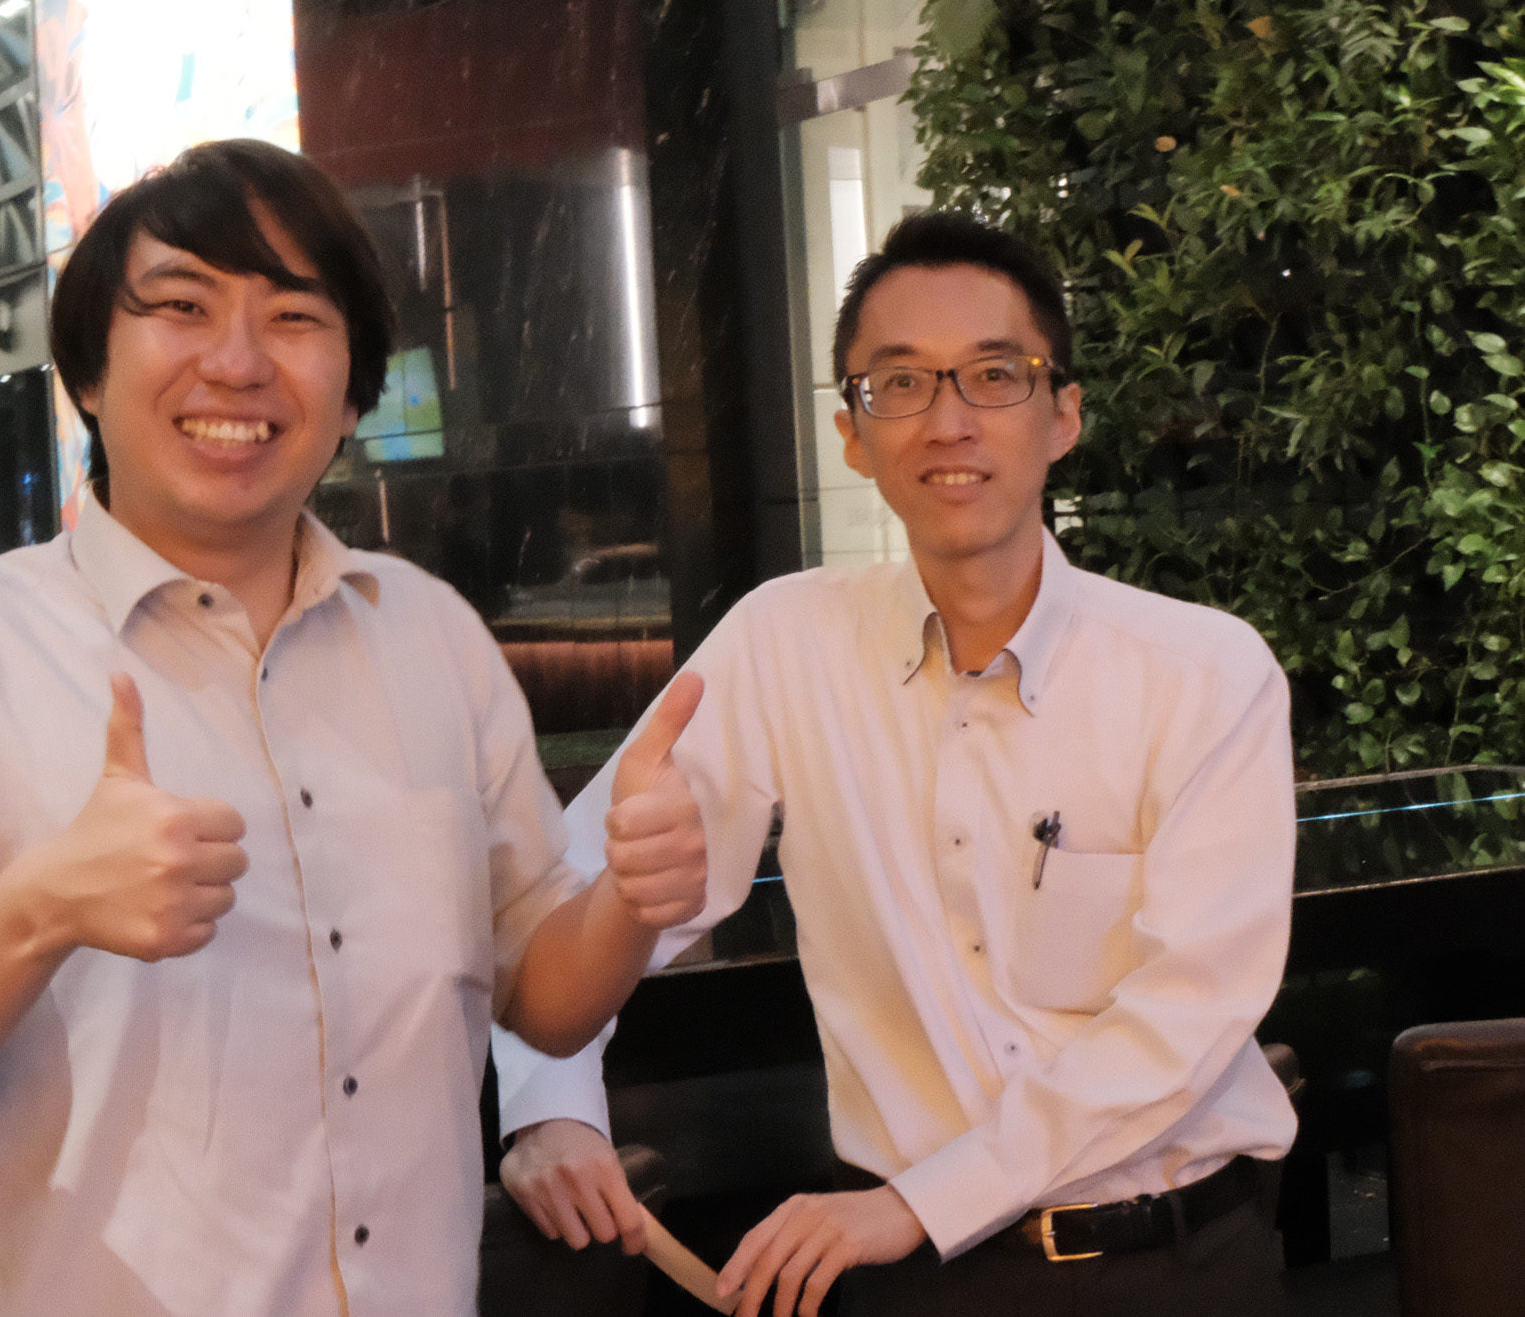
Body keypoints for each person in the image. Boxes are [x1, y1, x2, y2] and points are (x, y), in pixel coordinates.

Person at [0, 139, 710, 1317]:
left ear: (353, 392)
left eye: (295, 317)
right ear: (88, 374)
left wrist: (630, 898)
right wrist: (40, 908)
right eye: (182, 306)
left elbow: (542, 996)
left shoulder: (429, 633)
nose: (237, 361)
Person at [495, 211, 1297, 1317]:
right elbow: (575, 890)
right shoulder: (785, 643)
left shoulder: (1205, 673)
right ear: (852, 435)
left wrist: (924, 1201)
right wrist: (549, 1106)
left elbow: (1186, 1019)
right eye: (902, 384)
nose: (949, 421)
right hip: (911, 1287)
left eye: (994, 377)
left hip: (1173, 1266)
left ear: (1064, 415)